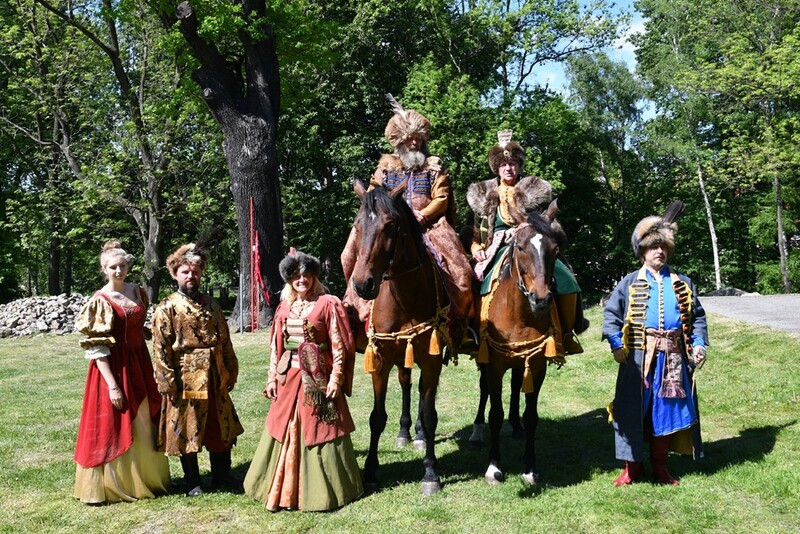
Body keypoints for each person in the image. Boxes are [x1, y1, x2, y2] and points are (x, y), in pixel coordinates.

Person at [341, 94, 474, 342]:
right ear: (400, 141)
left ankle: (462, 320)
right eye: (409, 138)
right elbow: (372, 193)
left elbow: (442, 199)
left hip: (429, 224)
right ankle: (354, 313)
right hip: (386, 223)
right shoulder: (385, 167)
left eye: (418, 138)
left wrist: (422, 215)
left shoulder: (434, 166)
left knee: (460, 267)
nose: (414, 143)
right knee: (349, 253)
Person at [244, 250, 363, 511]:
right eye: (297, 277)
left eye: (307, 276)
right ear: (289, 280)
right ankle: (279, 488)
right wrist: (272, 377)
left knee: (321, 426)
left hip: (318, 379)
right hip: (289, 379)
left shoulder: (328, 303)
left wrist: (336, 378)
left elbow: (339, 344)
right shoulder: (284, 307)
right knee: (282, 424)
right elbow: (276, 346)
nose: (302, 280)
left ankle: (323, 490)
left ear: (314, 278)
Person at [602, 202, 708, 486]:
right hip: (637, 357)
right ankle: (632, 468)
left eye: (663, 247)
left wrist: (699, 344)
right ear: (642, 251)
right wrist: (616, 345)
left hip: (673, 358)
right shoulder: (628, 283)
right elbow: (611, 316)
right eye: (652, 247)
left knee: (666, 411)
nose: (658, 251)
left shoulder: (682, 283)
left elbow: (697, 317)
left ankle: (660, 466)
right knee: (631, 411)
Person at [466, 130, 587, 357]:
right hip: (494, 247)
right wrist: (475, 248)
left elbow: (549, 224)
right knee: (469, 280)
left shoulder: (535, 190)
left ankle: (567, 333)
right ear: (496, 168)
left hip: (532, 246)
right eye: (503, 164)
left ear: (519, 166)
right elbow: (471, 229)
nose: (508, 168)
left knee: (567, 278)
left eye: (512, 163)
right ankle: (469, 332)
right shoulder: (482, 193)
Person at [73, 241, 170, 504]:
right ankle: (115, 484)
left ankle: (146, 478)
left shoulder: (138, 292)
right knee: (114, 421)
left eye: (123, 266)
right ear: (104, 269)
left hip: (140, 362)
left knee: (143, 418)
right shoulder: (100, 300)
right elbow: (98, 346)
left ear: (128, 266)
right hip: (113, 367)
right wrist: (112, 385)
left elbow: (136, 324)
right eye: (113, 267)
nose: (119, 271)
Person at [152, 243, 244, 497]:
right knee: (189, 425)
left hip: (216, 372)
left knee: (220, 422)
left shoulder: (213, 305)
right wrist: (167, 382)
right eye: (185, 272)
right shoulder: (167, 308)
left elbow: (224, 340)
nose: (191, 276)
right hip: (188, 374)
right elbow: (160, 348)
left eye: (195, 271)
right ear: (175, 274)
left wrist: (230, 369)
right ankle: (192, 480)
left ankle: (222, 473)